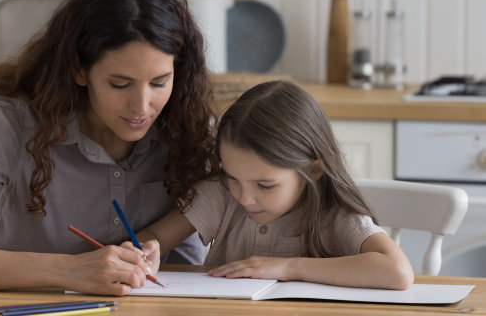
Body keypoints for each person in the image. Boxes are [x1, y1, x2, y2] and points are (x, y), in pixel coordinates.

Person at [0, 0, 217, 295]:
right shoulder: (15, 122)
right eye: (119, 84)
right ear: (79, 70)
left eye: (159, 82)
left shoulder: (186, 128)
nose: (142, 106)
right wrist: (72, 270)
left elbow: (195, 246)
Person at [133, 80, 414, 290]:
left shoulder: (333, 213)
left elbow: (398, 271)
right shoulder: (221, 195)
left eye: (265, 186)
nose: (244, 198)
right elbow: (154, 235)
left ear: (314, 171)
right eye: (232, 177)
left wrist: (288, 267)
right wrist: (147, 249)